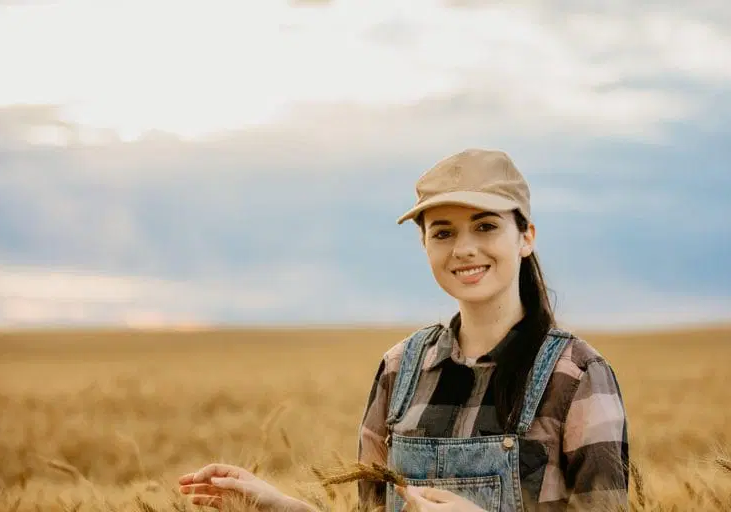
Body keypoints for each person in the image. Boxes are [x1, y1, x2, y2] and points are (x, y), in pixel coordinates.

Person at [178, 149, 630, 511]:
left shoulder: (577, 377)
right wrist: (279, 505)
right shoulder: (400, 368)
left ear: (526, 237)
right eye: (443, 233)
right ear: (424, 244)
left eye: (486, 226)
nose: (464, 249)